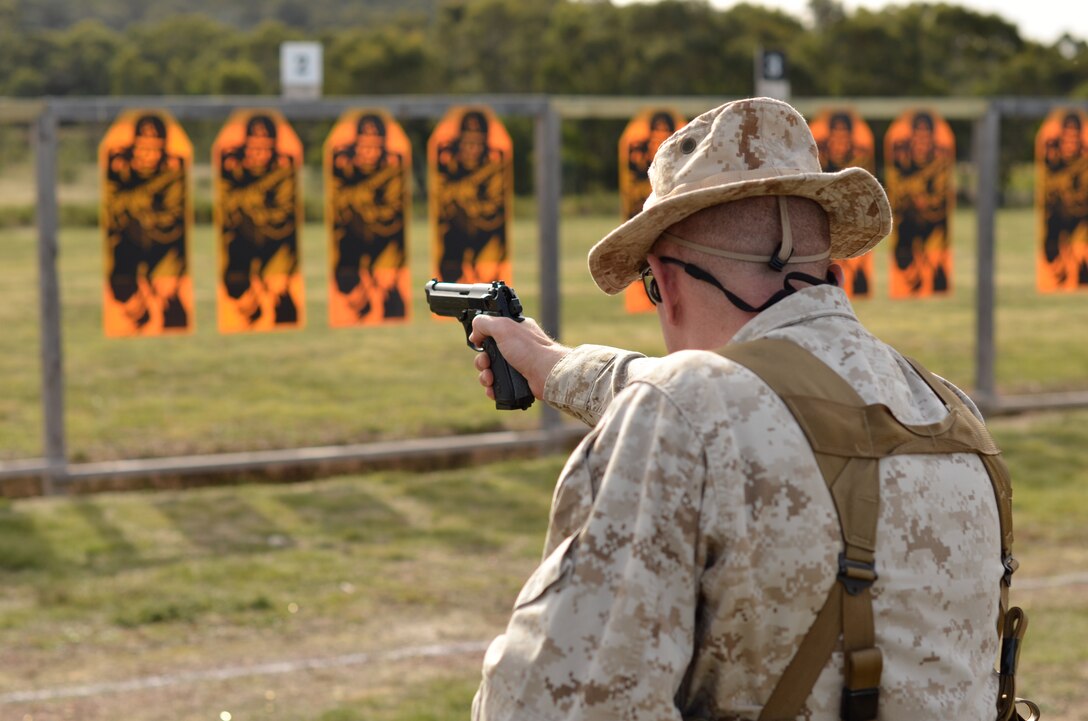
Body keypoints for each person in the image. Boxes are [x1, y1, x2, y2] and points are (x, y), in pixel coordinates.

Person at [467, 98, 1020, 721]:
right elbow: (753, 404)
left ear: (666, 282)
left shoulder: (683, 414)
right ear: (827, 268)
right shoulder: (949, 413)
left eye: (650, 286)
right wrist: (552, 364)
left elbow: (549, 704)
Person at [104, 113, 189, 332]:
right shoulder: (121, 170)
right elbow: (114, 204)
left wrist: (145, 213)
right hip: (129, 245)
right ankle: (139, 318)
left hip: (162, 245)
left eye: (154, 149)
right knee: (122, 288)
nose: (147, 156)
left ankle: (171, 317)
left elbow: (172, 218)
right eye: (142, 148)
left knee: (166, 289)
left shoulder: (171, 175)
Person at [219, 113, 300, 327]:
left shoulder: (281, 173)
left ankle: (281, 311)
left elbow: (283, 214)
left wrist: (257, 208)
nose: (259, 154)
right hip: (241, 244)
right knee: (236, 286)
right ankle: (250, 312)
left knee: (278, 286)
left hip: (275, 242)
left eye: (264, 148)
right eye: (254, 148)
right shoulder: (235, 171)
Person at [330, 113, 408, 320]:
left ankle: (388, 302)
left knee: (387, 282)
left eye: (374, 147)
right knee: (347, 282)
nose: (369, 153)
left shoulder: (390, 172)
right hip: (352, 239)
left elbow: (391, 211)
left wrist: (367, 205)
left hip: (384, 238)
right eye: (365, 147)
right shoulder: (348, 171)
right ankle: (361, 306)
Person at [434, 110, 508, 283]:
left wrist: (470, 201)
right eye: (467, 143)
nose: (472, 149)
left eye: (477, 144)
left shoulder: (492, 169)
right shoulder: (450, 167)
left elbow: (494, 210)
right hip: (456, 237)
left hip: (485, 236)